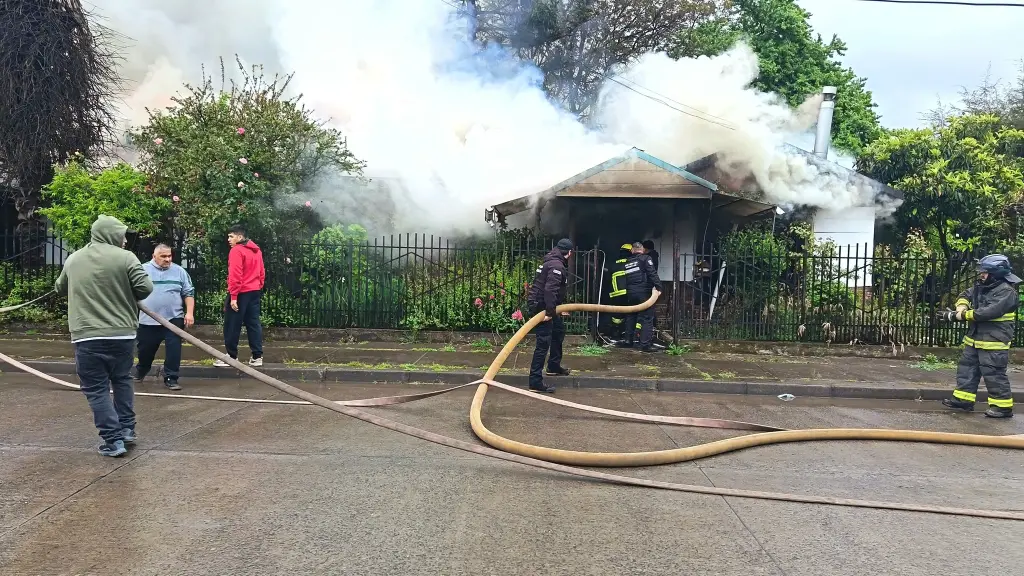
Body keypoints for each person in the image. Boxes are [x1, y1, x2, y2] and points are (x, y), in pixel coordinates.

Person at [54, 215, 154, 457]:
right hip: (122, 334)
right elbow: (146, 289)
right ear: (111, 235)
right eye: (121, 236)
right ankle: (127, 430)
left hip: (87, 335)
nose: (124, 241)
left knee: (96, 389)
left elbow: (59, 287)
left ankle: (113, 440)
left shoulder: (74, 259)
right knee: (122, 380)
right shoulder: (126, 258)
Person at [937, 254, 1020, 418]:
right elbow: (966, 294)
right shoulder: (983, 286)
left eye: (985, 272)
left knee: (994, 374)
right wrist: (961, 307)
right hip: (975, 339)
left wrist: (958, 316)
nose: (981, 275)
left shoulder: (1007, 293)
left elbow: (987, 312)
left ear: (995, 273)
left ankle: (1002, 407)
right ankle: (963, 400)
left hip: (994, 342)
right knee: (967, 370)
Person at [133, 244, 196, 391]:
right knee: (145, 351)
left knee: (174, 349)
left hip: (173, 319)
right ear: (154, 256)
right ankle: (142, 369)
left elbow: (188, 293)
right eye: (163, 256)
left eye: (169, 256)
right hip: (148, 320)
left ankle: (171, 378)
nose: (168, 259)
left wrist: (189, 313)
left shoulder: (179, 271)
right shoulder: (142, 270)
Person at [214, 225, 266, 367]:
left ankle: (231, 356)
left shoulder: (236, 251)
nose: (229, 239)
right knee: (253, 323)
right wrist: (258, 286)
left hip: (240, 292)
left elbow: (235, 275)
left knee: (232, 324)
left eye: (231, 236)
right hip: (254, 291)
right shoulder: (257, 251)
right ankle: (257, 356)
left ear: (240, 237)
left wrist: (234, 296)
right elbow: (262, 272)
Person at [526, 238, 573, 393]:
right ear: (570, 253)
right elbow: (550, 290)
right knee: (543, 343)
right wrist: (549, 313)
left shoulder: (551, 261)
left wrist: (557, 310)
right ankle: (535, 381)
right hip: (542, 307)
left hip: (547, 306)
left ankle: (553, 366)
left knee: (558, 331)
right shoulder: (556, 265)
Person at [621, 242, 662, 352]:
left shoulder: (628, 261)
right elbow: (652, 273)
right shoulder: (645, 258)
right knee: (647, 317)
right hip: (644, 293)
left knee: (631, 315)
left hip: (631, 293)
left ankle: (628, 341)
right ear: (642, 250)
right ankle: (645, 344)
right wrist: (659, 287)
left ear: (632, 250)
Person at [606, 243, 633, 341]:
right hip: (628, 293)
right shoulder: (631, 263)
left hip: (615, 294)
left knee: (616, 315)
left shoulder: (613, 263)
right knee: (630, 313)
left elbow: (608, 278)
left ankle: (615, 334)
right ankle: (627, 335)